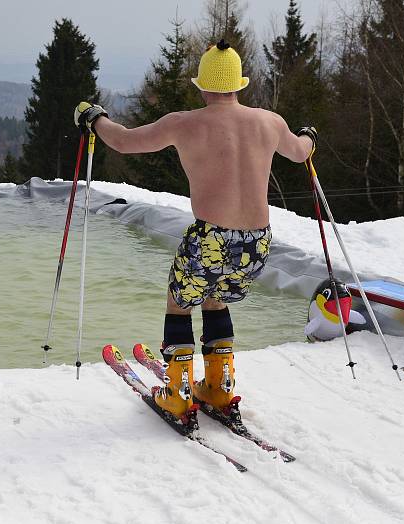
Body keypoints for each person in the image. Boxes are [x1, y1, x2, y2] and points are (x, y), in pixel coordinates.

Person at [74, 40, 316, 427]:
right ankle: (218, 387)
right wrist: (309, 135)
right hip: (257, 241)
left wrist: (94, 117)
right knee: (216, 298)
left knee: (179, 299)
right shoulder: (269, 122)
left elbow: (121, 139)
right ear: (239, 84)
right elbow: (302, 151)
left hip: (211, 237)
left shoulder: (183, 123)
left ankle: (177, 393)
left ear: (203, 86)